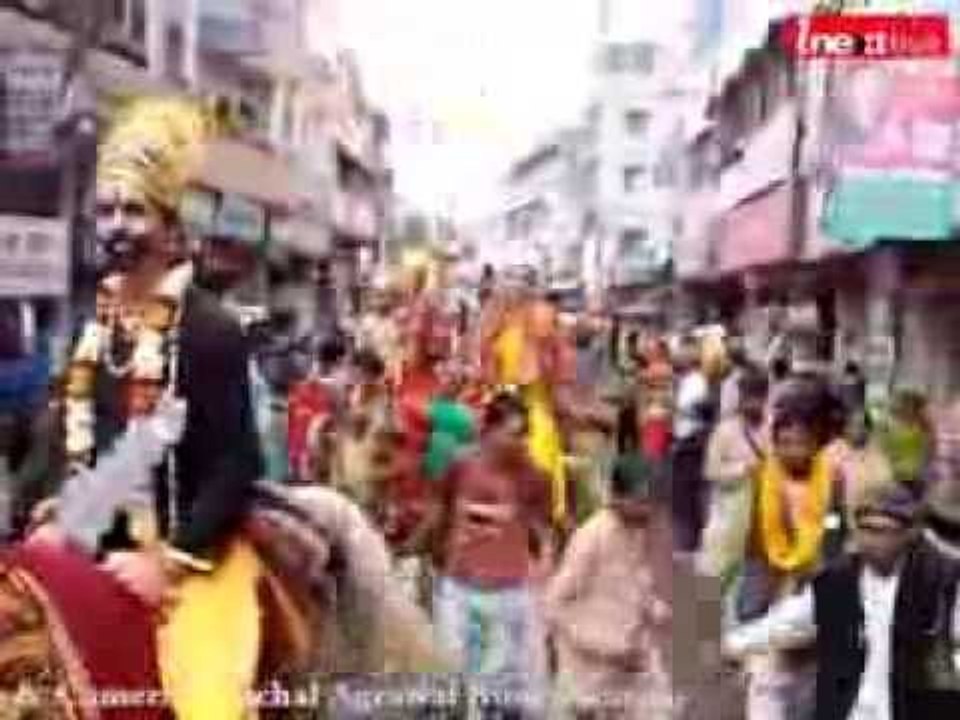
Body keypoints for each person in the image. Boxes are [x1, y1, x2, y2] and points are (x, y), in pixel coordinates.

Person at [18, 98, 265, 719]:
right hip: (96, 536)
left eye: (134, 210)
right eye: (105, 210)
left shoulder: (210, 329)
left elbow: (238, 464)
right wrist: (62, 511)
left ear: (170, 224)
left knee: (205, 701)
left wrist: (167, 564)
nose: (117, 226)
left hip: (192, 552)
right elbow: (91, 445)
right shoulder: (93, 328)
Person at [725, 481, 960, 720]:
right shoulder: (839, 582)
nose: (872, 540)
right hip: (848, 710)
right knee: (767, 668)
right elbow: (787, 622)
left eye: (883, 531)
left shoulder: (939, 583)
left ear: (908, 534)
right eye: (866, 529)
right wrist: (736, 645)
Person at [418, 392, 553, 718]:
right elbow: (439, 514)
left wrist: (545, 577)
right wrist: (412, 549)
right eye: (514, 433)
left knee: (500, 691)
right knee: (449, 676)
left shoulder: (534, 477)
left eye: (525, 435)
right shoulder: (459, 466)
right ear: (488, 431)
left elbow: (542, 530)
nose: (520, 442)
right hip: (459, 590)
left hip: (508, 595)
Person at [729, 386, 845, 720]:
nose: (793, 451)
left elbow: (835, 528)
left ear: (817, 441)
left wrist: (822, 562)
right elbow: (755, 542)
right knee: (767, 678)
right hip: (771, 583)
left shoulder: (832, 479)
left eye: (802, 443)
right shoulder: (763, 478)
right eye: (784, 443)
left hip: (814, 585)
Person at [545, 453, 673, 719]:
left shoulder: (636, 527)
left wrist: (652, 606)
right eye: (641, 502)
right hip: (590, 671)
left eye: (654, 502)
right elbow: (554, 607)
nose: (649, 510)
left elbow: (635, 575)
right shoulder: (591, 538)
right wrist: (607, 649)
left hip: (633, 656)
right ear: (616, 497)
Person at [699, 367, 769, 584]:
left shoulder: (774, 428)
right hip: (731, 516)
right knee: (726, 576)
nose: (752, 403)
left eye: (758, 396)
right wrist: (742, 469)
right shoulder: (725, 431)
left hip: (766, 514)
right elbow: (710, 471)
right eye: (748, 396)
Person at [671, 334, 712, 552]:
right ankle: (687, 537)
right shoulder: (685, 380)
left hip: (691, 442)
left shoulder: (698, 382)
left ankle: (690, 539)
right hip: (683, 440)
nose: (677, 355)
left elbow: (700, 411)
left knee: (687, 491)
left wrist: (675, 409)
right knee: (682, 492)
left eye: (681, 351)